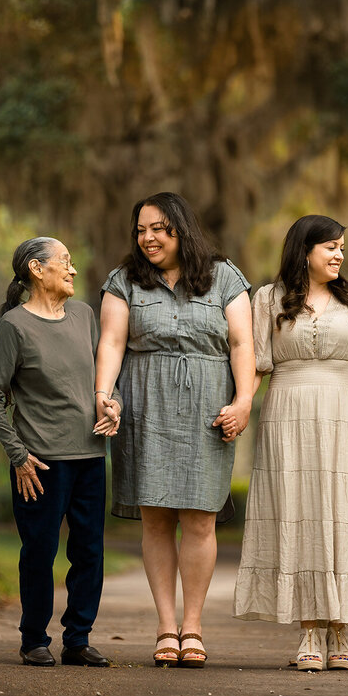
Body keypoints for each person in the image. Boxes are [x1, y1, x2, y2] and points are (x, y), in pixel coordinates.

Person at [94, 192, 253, 669]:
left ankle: (194, 627)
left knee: (201, 517)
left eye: (159, 228)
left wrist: (243, 402)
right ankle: (166, 626)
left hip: (208, 406)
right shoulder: (124, 281)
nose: (148, 238)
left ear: (182, 229)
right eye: (141, 230)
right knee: (156, 517)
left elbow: (244, 344)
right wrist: (105, 394)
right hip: (144, 404)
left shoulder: (226, 277)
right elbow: (111, 342)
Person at [233, 214, 348, 672]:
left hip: (341, 411)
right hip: (286, 411)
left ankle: (338, 628)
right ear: (305, 250)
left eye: (343, 247)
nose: (340, 255)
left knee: (339, 511)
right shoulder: (267, 298)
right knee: (297, 512)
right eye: (331, 247)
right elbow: (256, 364)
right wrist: (242, 405)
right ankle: (308, 629)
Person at [0, 236, 121, 668]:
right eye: (65, 262)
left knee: (89, 552)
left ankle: (78, 639)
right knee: (40, 552)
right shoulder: (15, 327)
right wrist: (17, 455)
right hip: (39, 464)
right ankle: (34, 639)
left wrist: (112, 406)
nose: (73, 270)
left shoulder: (83, 315)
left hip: (90, 457)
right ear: (37, 270)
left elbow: (99, 377)